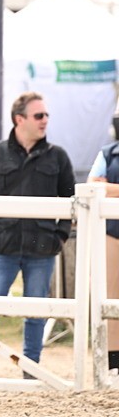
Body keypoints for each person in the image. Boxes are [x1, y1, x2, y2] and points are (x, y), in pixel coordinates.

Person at [0, 92, 75, 378]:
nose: (45, 121)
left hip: (42, 249)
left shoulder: (59, 157)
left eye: (46, 115)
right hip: (2, 246)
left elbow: (71, 200)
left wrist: (59, 236)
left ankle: (31, 369)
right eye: (39, 115)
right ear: (19, 119)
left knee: (36, 313)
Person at [86, 106, 119, 373]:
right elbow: (94, 185)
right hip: (113, 233)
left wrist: (111, 189)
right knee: (111, 294)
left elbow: (103, 186)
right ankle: (113, 360)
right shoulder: (108, 153)